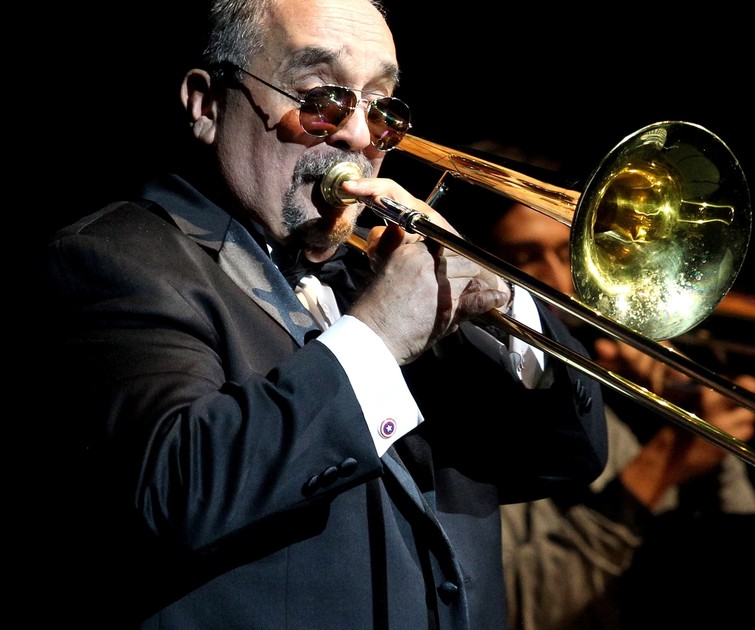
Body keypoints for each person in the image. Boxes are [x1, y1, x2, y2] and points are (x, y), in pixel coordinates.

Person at [34, 1, 608, 628]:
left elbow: (569, 459)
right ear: (207, 105)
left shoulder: (382, 278)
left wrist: (504, 304)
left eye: (382, 109)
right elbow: (176, 492)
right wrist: (378, 337)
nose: (359, 137)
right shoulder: (112, 259)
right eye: (322, 99)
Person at [441, 187, 755, 630]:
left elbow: (740, 551)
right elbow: (514, 607)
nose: (560, 280)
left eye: (566, 253)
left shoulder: (611, 396)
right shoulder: (469, 408)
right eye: (526, 257)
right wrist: (663, 459)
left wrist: (698, 422)